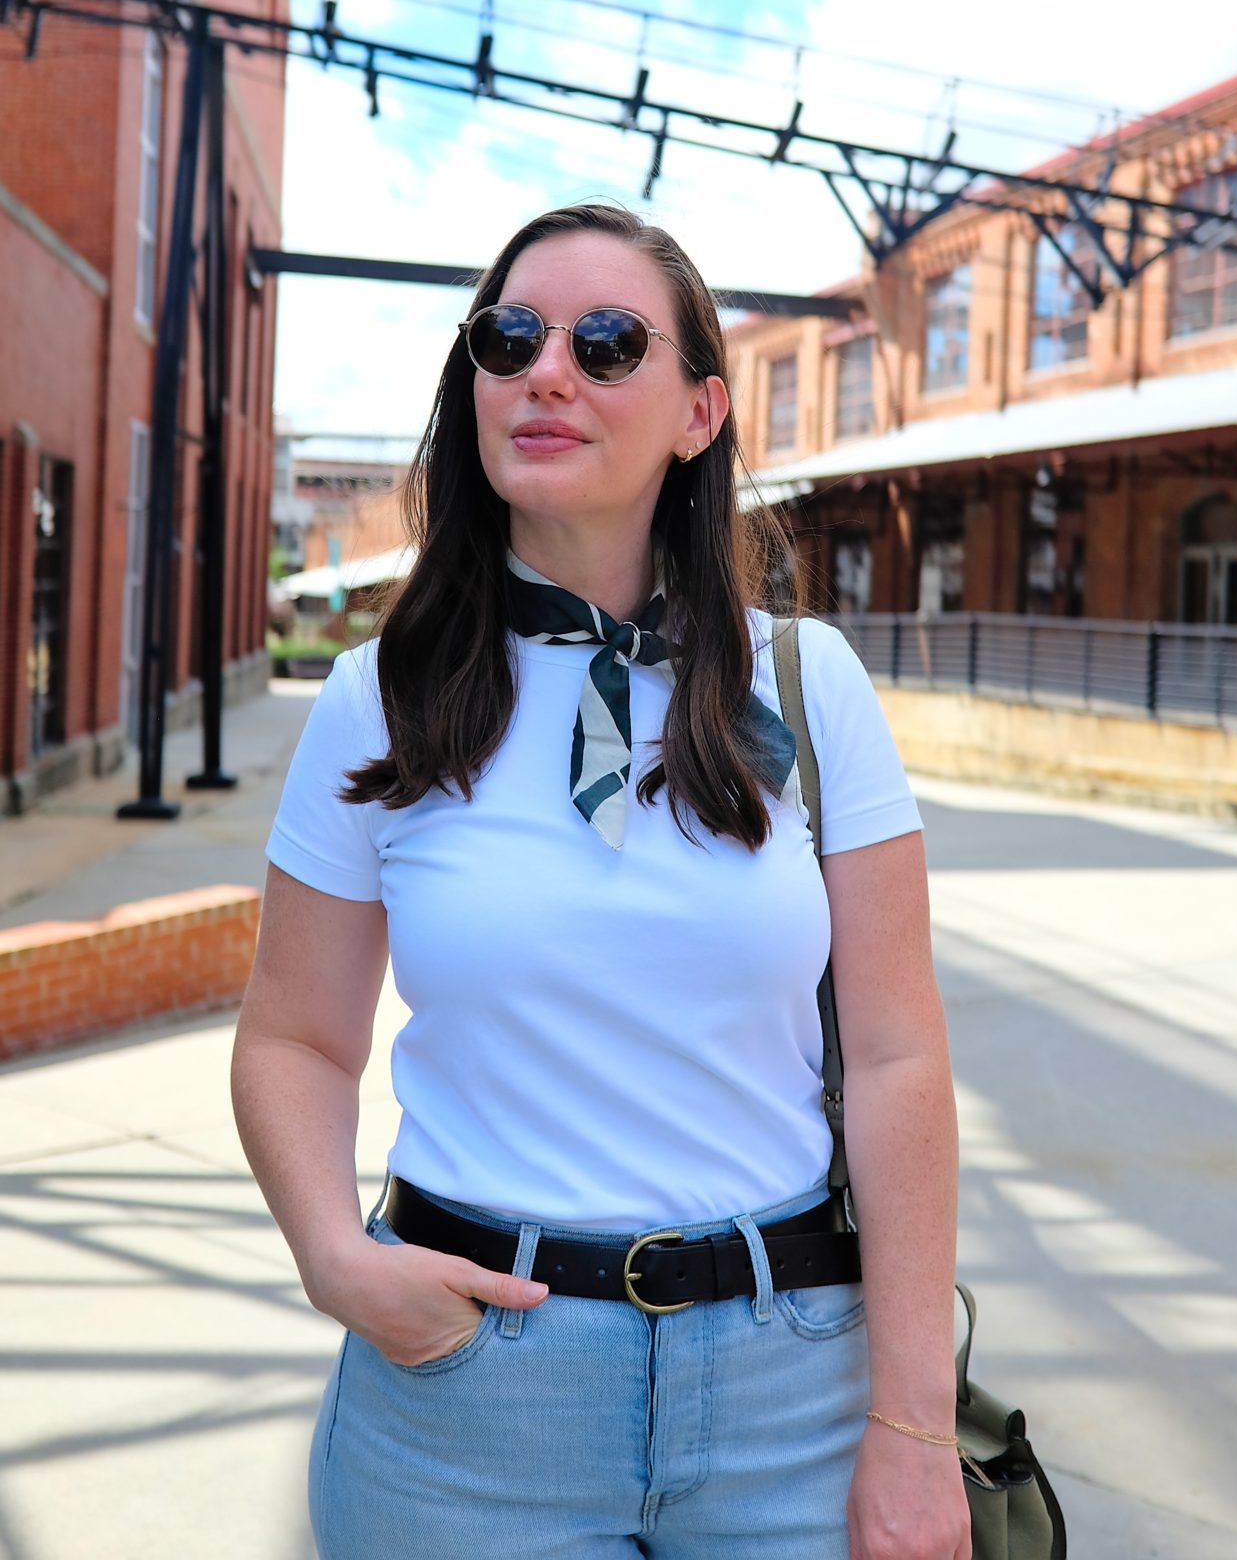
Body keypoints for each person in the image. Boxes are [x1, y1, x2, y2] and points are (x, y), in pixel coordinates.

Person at [232, 201, 969, 1560]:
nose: (544, 371)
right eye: (508, 338)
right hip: (469, 1401)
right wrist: (336, 1258)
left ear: (697, 412)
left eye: (606, 341)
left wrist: (913, 1423)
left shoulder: (809, 686)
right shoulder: (370, 703)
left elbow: (894, 1055)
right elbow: (294, 1036)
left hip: (790, 1384)